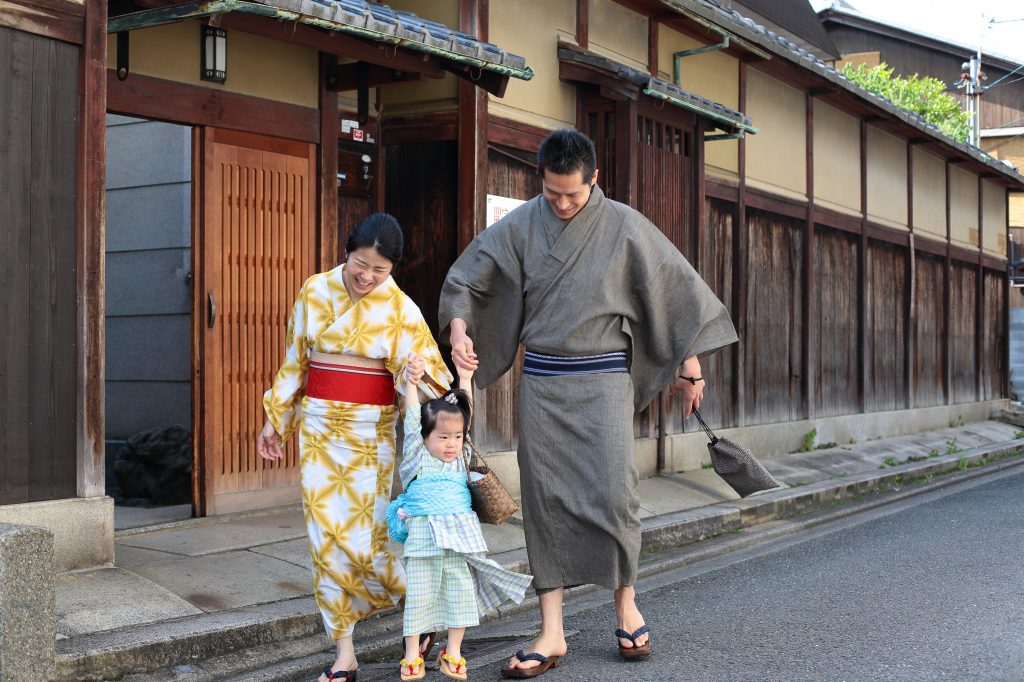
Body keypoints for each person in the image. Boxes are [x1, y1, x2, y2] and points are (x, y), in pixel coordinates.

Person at [438, 129, 738, 677]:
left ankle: (625, 605)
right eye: (552, 193)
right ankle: (551, 631)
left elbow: (674, 288)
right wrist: (459, 327)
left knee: (614, 494)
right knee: (545, 499)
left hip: (603, 382)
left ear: (594, 179)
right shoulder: (525, 223)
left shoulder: (623, 224)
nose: (561, 203)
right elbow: (469, 276)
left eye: (572, 194)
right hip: (544, 382)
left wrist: (689, 363)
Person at [257, 213, 453, 682]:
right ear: (347, 252)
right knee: (326, 542)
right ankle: (344, 654)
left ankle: (419, 603)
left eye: (379, 270)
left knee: (367, 542)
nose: (366, 277)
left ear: (393, 270)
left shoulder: (402, 310)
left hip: (371, 434)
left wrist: (423, 380)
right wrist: (275, 421)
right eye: (359, 264)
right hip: (320, 429)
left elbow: (432, 381)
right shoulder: (314, 290)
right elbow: (295, 362)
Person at [387, 352, 533, 681]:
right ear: (425, 437)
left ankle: (453, 651)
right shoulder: (416, 453)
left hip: (460, 538)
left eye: (456, 437)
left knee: (460, 594)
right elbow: (412, 417)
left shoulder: (460, 454)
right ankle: (412, 655)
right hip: (424, 537)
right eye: (442, 437)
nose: (451, 444)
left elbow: (465, 413)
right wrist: (411, 383)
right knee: (419, 596)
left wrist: (464, 375)